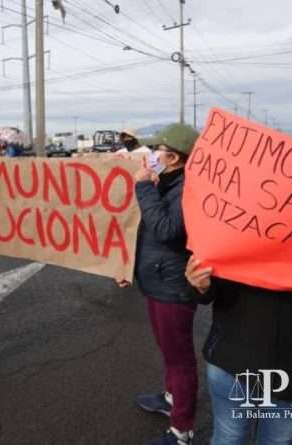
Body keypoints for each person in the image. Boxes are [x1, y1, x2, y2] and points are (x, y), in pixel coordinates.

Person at [186, 257, 292, 444]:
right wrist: (201, 285)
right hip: (233, 355)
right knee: (229, 436)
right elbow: (209, 284)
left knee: (274, 440)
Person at [117, 124, 199, 445]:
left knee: (180, 358)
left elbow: (165, 229)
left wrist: (145, 188)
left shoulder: (188, 189)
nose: (151, 156)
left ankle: (182, 430)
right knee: (169, 351)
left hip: (173, 286)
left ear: (175, 157)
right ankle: (171, 399)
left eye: (158, 150)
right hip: (155, 279)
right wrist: (125, 265)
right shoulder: (165, 181)